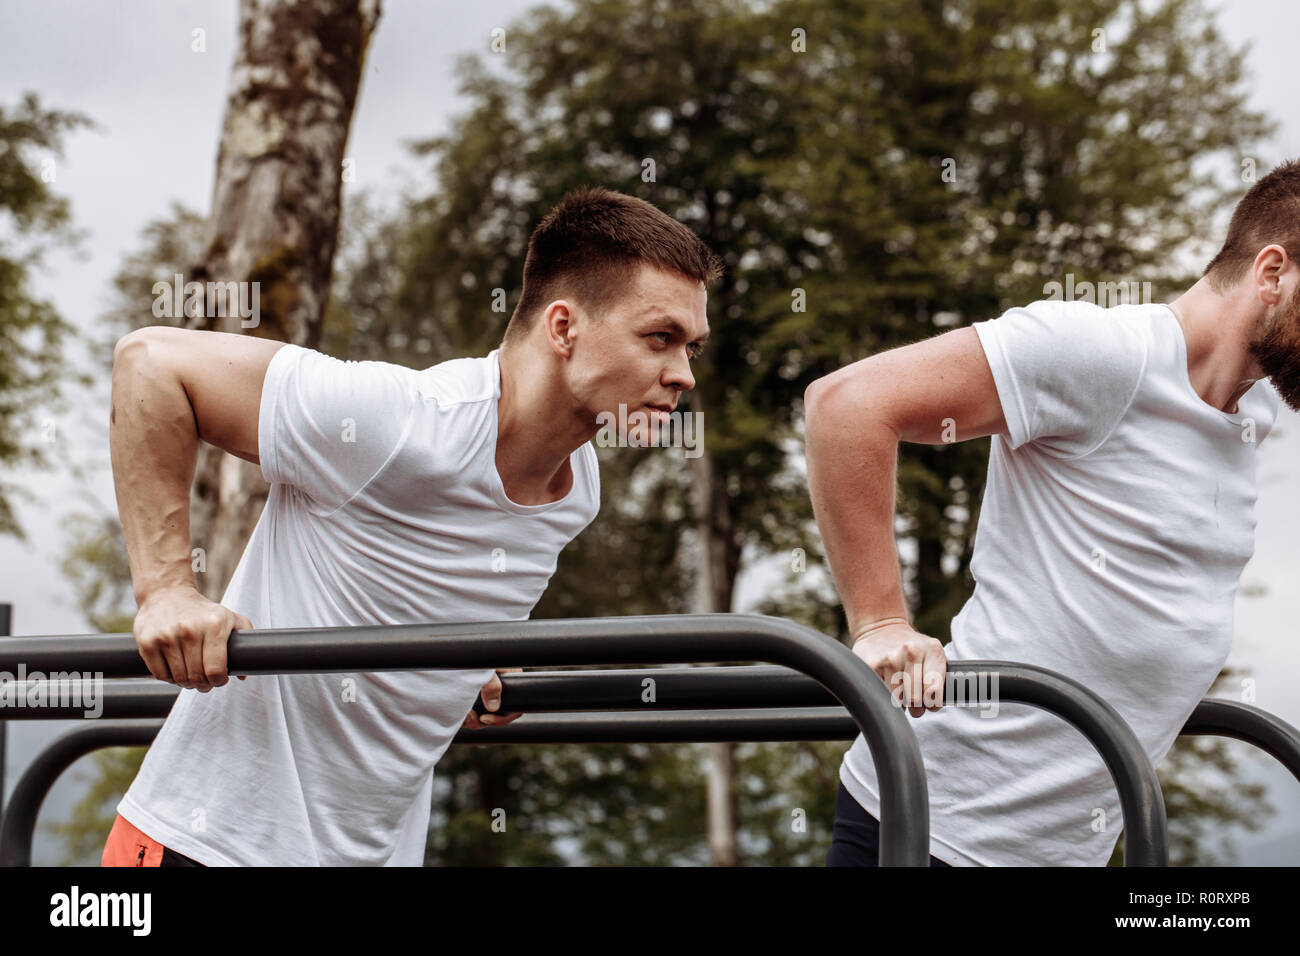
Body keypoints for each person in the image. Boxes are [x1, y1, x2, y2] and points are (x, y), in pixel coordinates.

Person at [101, 186, 721, 866]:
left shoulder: (579, 490)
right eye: (660, 339)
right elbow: (152, 364)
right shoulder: (403, 423)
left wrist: (471, 657)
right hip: (211, 843)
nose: (683, 375)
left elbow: (433, 572)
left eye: (691, 347)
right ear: (564, 327)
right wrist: (165, 590)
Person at [805, 159, 1299, 866]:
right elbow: (845, 407)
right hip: (938, 828)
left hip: (1068, 848)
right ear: (1272, 272)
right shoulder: (1104, 354)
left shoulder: (1253, 413)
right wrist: (881, 622)